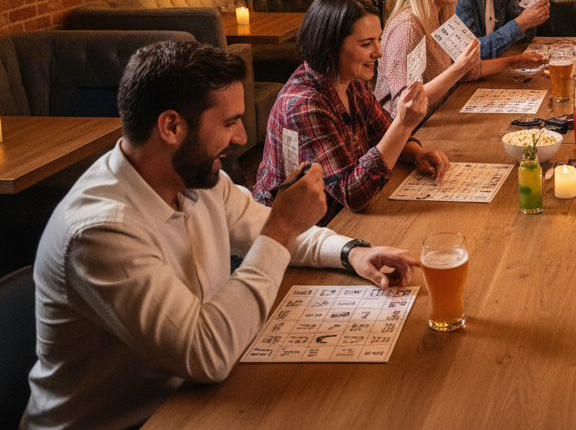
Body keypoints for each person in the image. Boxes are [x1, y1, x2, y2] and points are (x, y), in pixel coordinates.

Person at [24, 40, 420, 430]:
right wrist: (281, 229)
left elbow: (266, 224)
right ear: (172, 126)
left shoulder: (197, 177)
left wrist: (351, 252)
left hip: (195, 398)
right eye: (229, 122)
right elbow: (207, 352)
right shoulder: (101, 231)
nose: (242, 138)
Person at [253, 0, 449, 214]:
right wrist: (403, 124)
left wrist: (416, 153)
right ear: (331, 47)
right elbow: (354, 196)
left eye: (378, 39)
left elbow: (383, 135)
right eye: (366, 44)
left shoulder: (350, 81)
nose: (379, 52)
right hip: (294, 229)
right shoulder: (305, 104)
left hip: (334, 216)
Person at [379, 0, 543, 117]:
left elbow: (471, 70)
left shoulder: (446, 17)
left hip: (437, 119)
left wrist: (517, 61)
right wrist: (458, 69)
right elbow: (406, 104)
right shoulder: (407, 27)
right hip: (408, 135)